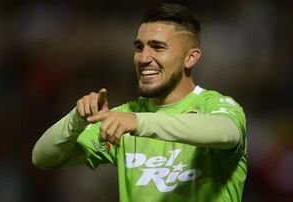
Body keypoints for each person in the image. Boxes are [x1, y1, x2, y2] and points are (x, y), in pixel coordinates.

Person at [32, 3, 247, 202]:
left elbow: (226, 133)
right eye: (139, 47)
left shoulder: (214, 105)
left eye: (158, 47)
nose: (143, 58)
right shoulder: (124, 117)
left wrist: (139, 122)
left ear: (190, 58)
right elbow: (43, 157)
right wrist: (76, 120)